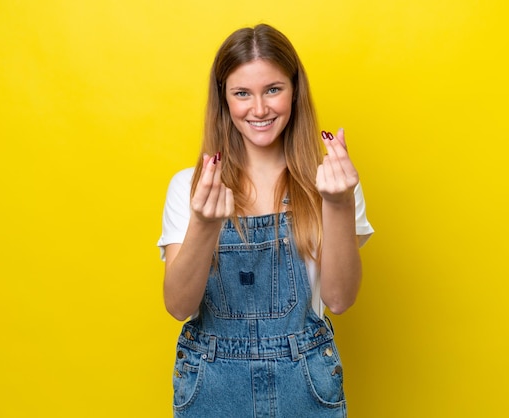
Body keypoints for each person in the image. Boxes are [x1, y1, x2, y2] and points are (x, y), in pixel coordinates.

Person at [157, 23, 373, 418]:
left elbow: (340, 300)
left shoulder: (330, 182)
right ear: (224, 99)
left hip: (306, 383)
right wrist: (205, 224)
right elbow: (178, 305)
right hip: (212, 385)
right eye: (242, 93)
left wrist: (339, 205)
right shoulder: (187, 188)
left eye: (273, 89)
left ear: (295, 90)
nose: (259, 109)